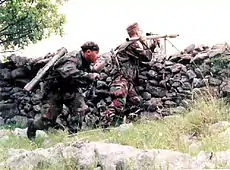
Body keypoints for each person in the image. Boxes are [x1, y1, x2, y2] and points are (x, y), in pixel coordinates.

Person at [27, 41, 100, 140]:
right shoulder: (73, 57)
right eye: (96, 54)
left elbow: (82, 80)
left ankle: (72, 136)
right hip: (54, 91)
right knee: (48, 120)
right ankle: (33, 126)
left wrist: (90, 78)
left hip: (69, 90)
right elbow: (68, 72)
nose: (97, 57)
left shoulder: (86, 64)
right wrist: (89, 76)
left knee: (81, 108)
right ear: (88, 52)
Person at [101, 22, 157, 127]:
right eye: (140, 31)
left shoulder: (128, 44)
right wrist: (149, 45)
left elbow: (141, 60)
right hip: (122, 81)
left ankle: (122, 126)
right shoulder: (132, 44)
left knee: (136, 103)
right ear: (137, 32)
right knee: (118, 105)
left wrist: (149, 45)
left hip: (127, 81)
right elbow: (146, 57)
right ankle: (104, 127)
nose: (142, 33)